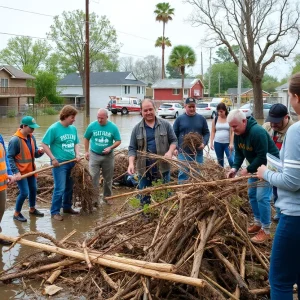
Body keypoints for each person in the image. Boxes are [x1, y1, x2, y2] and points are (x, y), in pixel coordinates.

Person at [257, 73, 300, 299]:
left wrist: (266, 173)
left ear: (296, 97)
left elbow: (292, 182)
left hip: (294, 216)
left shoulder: (296, 130)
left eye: (291, 97)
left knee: (280, 281)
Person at [227, 109, 279, 244]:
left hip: (267, 166)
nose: (233, 130)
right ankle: (258, 222)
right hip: (254, 166)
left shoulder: (258, 132)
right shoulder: (238, 133)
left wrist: (248, 169)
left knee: (262, 197)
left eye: (235, 126)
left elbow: (262, 156)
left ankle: (266, 230)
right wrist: (235, 168)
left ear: (244, 121)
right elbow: (239, 153)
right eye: (231, 127)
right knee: (252, 194)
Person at [128, 99, 177, 205]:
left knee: (164, 197)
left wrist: (170, 152)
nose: (148, 112)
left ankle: (163, 219)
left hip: (163, 168)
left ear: (155, 109)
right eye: (145, 110)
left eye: (150, 109)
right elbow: (132, 148)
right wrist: (131, 164)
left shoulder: (165, 125)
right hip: (144, 170)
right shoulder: (136, 129)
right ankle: (145, 217)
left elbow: (174, 140)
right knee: (145, 198)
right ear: (141, 111)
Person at [41, 105, 81, 221]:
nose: (74, 120)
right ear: (65, 116)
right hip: (60, 164)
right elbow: (44, 144)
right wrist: (53, 158)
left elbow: (76, 143)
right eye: (72, 117)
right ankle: (55, 212)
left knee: (69, 187)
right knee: (60, 188)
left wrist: (77, 154)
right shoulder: (54, 128)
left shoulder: (73, 129)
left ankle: (67, 207)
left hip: (72, 162)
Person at [8, 116, 45, 222]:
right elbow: (10, 157)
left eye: (34, 128)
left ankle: (32, 209)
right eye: (31, 127)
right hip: (21, 172)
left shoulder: (31, 137)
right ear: (24, 126)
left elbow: (34, 153)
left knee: (33, 189)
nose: (33, 130)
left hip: (31, 171)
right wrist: (16, 172)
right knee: (24, 192)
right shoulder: (15, 140)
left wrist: (40, 153)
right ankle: (16, 213)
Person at [262, 103, 294, 222]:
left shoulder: (293, 130)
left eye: (277, 121)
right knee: (274, 191)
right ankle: (278, 209)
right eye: (271, 120)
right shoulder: (267, 127)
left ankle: (283, 212)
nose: (273, 124)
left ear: (286, 117)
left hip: (286, 168)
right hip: (271, 166)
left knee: (283, 190)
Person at [84, 109, 121, 206]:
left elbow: (118, 140)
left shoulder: (113, 127)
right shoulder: (92, 126)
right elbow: (86, 138)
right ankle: (94, 198)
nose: (100, 120)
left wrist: (110, 147)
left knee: (108, 178)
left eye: (102, 118)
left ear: (107, 117)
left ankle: (107, 197)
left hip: (108, 156)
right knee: (93, 178)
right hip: (94, 155)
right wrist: (86, 151)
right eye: (98, 118)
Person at [173, 97, 210, 183]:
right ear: (185, 106)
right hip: (183, 152)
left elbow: (207, 133)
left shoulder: (201, 119)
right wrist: (175, 148)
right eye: (189, 106)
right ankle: (182, 192)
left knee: (197, 174)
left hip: (198, 152)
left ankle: (196, 193)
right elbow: (173, 134)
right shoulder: (179, 119)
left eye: (193, 106)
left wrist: (204, 143)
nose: (192, 108)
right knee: (183, 174)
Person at [209, 103, 234, 167]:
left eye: (221, 111)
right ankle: (222, 175)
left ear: (225, 110)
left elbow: (232, 132)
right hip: (218, 143)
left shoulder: (229, 119)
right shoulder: (215, 119)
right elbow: (213, 131)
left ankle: (233, 173)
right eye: (218, 111)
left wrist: (231, 143)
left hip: (227, 144)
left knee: (231, 160)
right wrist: (211, 142)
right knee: (220, 161)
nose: (219, 113)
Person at [0, 134, 14, 245]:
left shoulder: (0, 137)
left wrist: (9, 173)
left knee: (1, 210)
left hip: (1, 184)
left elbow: (4, 158)